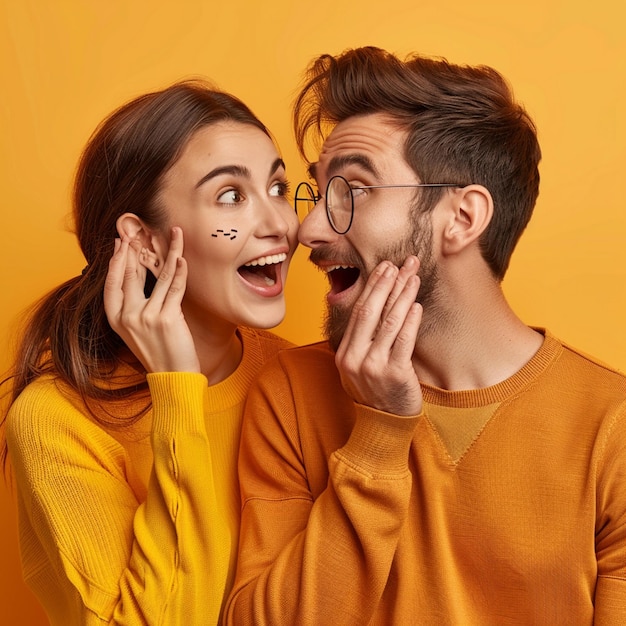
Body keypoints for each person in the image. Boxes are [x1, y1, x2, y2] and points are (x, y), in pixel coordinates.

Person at [225, 47, 626, 624]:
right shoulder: (290, 396)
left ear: (461, 218)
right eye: (319, 193)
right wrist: (377, 439)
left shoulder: (610, 429)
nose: (307, 230)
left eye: (354, 191)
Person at [0, 80, 299, 625]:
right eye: (231, 195)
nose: (280, 224)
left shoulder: (296, 378)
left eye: (278, 188)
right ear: (144, 243)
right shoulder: (57, 421)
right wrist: (178, 390)